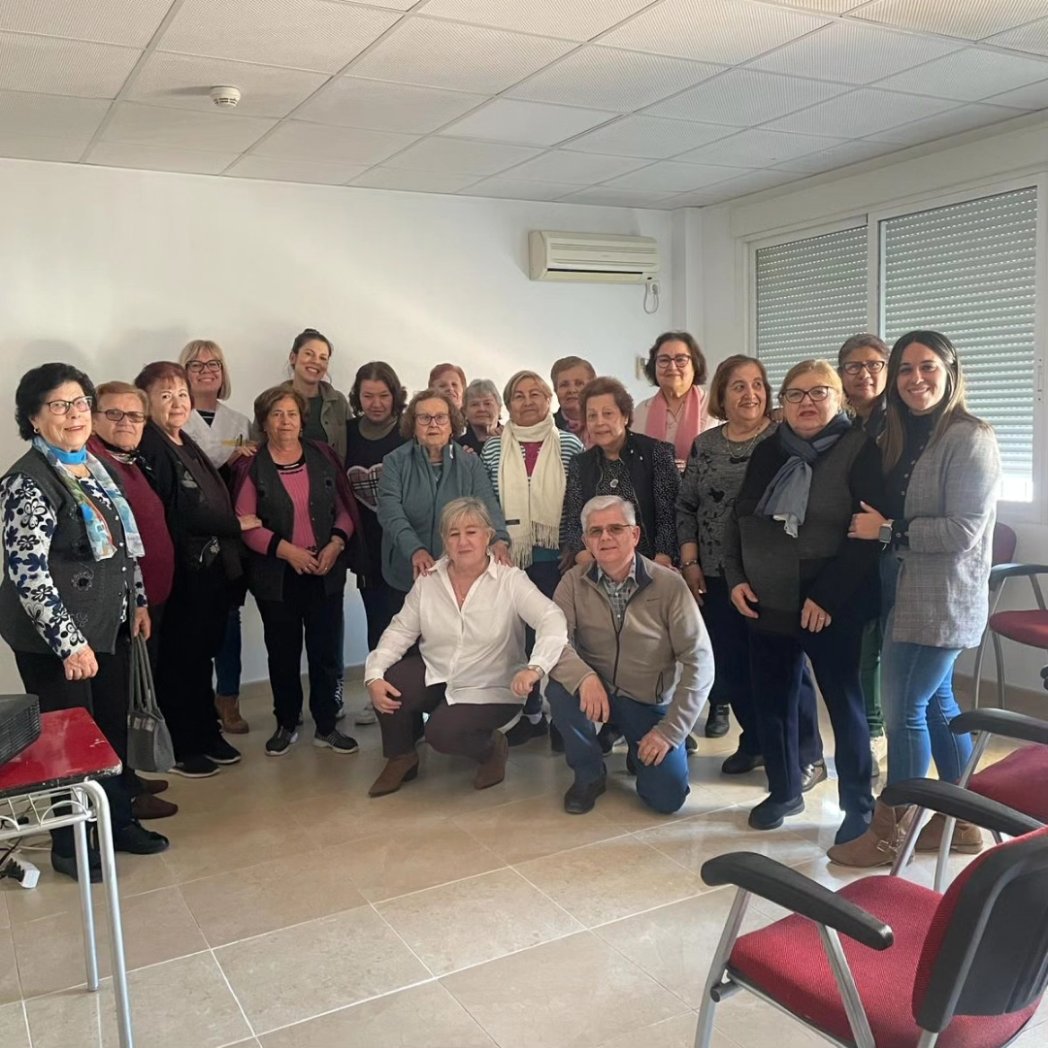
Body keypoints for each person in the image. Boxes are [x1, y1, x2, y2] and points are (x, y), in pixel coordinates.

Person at [829, 331, 1000, 867]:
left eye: (927, 367)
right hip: (904, 589)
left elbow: (963, 532)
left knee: (905, 711)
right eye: (905, 369)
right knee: (938, 707)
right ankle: (965, 819)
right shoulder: (905, 431)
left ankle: (891, 831)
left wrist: (887, 531)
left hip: (939, 598)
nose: (915, 379)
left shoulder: (969, 437)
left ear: (950, 371)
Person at [0, 364, 168, 880]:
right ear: (32, 416)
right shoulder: (25, 482)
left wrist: (136, 602)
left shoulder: (94, 468)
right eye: (58, 405)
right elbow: (27, 572)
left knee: (111, 731)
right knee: (67, 747)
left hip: (108, 626)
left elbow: (122, 548)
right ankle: (70, 846)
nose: (73, 415)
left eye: (79, 404)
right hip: (57, 641)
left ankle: (117, 822)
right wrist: (69, 644)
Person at [723, 360, 882, 843]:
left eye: (818, 393)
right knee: (773, 701)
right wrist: (734, 577)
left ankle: (859, 804)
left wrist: (827, 597)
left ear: (839, 398)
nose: (806, 403)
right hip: (767, 597)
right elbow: (739, 517)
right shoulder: (771, 450)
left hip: (830, 602)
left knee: (844, 704)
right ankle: (785, 789)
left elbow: (867, 535)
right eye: (795, 394)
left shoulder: (860, 450)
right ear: (783, 403)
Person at [364, 498, 567, 796]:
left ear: (487, 536)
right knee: (390, 681)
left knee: (441, 733)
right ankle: (401, 755)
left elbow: (552, 619)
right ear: (443, 540)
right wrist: (374, 673)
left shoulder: (510, 580)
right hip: (440, 671)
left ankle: (491, 749)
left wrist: (535, 668)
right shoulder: (429, 580)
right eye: (453, 533)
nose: (462, 541)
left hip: (493, 682)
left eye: (471, 532)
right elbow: (400, 630)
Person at [547, 496, 713, 815]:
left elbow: (700, 661)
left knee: (666, 799)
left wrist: (671, 731)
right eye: (595, 532)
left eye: (615, 528)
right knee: (559, 690)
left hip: (648, 701)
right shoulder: (571, 582)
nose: (605, 538)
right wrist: (584, 678)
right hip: (598, 693)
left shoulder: (669, 585)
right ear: (585, 541)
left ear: (634, 535)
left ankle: (639, 745)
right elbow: (554, 642)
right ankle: (590, 773)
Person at [135, 361, 258, 777]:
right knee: (180, 660)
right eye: (165, 395)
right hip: (184, 571)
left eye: (182, 394)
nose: (176, 402)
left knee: (201, 656)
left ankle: (206, 731)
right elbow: (177, 512)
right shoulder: (151, 445)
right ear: (146, 400)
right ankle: (185, 745)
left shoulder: (181, 438)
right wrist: (234, 525)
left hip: (210, 568)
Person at [233, 386, 363, 756]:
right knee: (283, 654)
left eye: (291, 414)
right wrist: (288, 552)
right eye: (276, 415)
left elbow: (344, 509)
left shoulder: (322, 456)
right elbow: (246, 524)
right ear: (264, 421)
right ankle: (286, 722)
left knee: (326, 653)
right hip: (278, 577)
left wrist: (336, 544)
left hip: (325, 570)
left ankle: (326, 725)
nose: (285, 421)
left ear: (301, 419)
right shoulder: (252, 464)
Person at [677, 356, 784, 750]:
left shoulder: (780, 440)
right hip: (714, 572)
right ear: (721, 393)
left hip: (766, 575)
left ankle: (787, 750)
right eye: (739, 385)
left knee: (771, 668)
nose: (750, 393)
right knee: (731, 664)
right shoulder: (705, 445)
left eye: (757, 384)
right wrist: (690, 563)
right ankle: (753, 742)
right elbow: (686, 505)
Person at [88, 381, 178, 821]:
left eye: (135, 416)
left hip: (144, 603)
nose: (126, 423)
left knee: (134, 695)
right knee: (117, 703)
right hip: (118, 610)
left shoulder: (126, 461)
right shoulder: (92, 464)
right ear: (93, 416)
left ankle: (130, 779)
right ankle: (122, 799)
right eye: (115, 414)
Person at [480, 370, 584, 744]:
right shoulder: (493, 448)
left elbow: (578, 500)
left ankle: (563, 719)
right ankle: (532, 713)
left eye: (535, 393)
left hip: (557, 558)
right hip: (510, 557)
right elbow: (487, 500)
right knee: (520, 638)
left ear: (549, 400)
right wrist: (498, 539)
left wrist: (572, 545)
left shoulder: (570, 444)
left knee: (559, 635)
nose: (528, 401)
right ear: (508, 406)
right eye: (519, 396)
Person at [178, 338, 256, 736]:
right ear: (183, 373)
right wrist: (227, 459)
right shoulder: (174, 419)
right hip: (191, 539)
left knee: (229, 620)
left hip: (231, 538)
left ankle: (229, 699)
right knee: (194, 624)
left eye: (215, 363)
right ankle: (197, 702)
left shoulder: (239, 422)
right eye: (196, 364)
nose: (207, 370)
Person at [376, 389, 511, 603]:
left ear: (452, 424)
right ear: (413, 425)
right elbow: (389, 511)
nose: (433, 424)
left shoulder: (470, 463)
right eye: (424, 418)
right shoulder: (395, 462)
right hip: (406, 573)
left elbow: (487, 504)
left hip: (458, 574)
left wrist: (500, 540)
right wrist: (415, 550)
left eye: (440, 417)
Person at [838, 334, 891, 775]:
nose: (865, 373)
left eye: (874, 364)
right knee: (864, 645)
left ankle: (877, 736)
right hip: (852, 545)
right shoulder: (843, 423)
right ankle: (869, 734)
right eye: (854, 366)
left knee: (880, 649)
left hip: (893, 545)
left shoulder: (901, 421)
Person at [345, 361, 408, 726]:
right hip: (366, 546)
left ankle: (415, 697)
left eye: (383, 395)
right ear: (358, 397)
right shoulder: (349, 432)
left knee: (413, 621)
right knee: (378, 621)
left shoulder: (405, 431)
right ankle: (379, 692)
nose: (376, 403)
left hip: (405, 544)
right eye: (368, 396)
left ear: (395, 396)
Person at [562, 377, 680, 568]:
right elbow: (574, 521)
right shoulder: (580, 463)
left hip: (651, 564)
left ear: (625, 416)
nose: (599, 422)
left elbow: (669, 515)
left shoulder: (656, 453)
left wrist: (662, 559)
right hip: (599, 566)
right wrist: (585, 559)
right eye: (592, 416)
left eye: (607, 414)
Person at [632, 332, 709, 472]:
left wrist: (692, 470)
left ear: (695, 365)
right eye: (664, 360)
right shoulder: (640, 412)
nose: (672, 367)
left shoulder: (714, 407)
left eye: (680, 359)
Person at [285, 328, 349, 463]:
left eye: (323, 358)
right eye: (309, 354)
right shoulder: (271, 401)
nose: (316, 361)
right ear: (293, 357)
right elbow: (256, 447)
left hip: (330, 481)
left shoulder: (338, 403)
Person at [551, 355, 595, 444]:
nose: (572, 390)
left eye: (579, 383)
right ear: (555, 390)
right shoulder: (546, 428)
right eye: (564, 385)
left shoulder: (610, 424)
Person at [461, 378, 503, 453]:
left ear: (499, 408)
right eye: (474, 404)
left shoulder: (513, 440)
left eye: (487, 403)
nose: (481, 409)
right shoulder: (457, 448)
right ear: (465, 411)